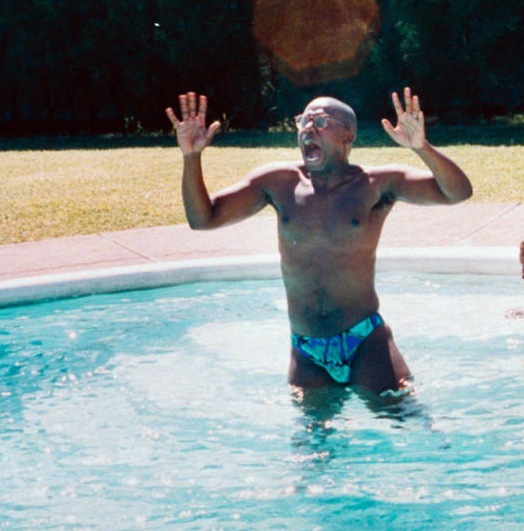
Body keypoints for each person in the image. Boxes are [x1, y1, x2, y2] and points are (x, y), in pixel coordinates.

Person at [165, 88, 472, 394]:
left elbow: (458, 192)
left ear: (347, 137)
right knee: (314, 440)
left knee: (404, 421)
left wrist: (422, 148)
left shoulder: (375, 184)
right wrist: (191, 157)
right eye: (303, 121)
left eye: (321, 122)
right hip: (306, 349)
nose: (308, 129)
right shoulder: (277, 182)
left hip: (365, 340)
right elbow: (202, 220)